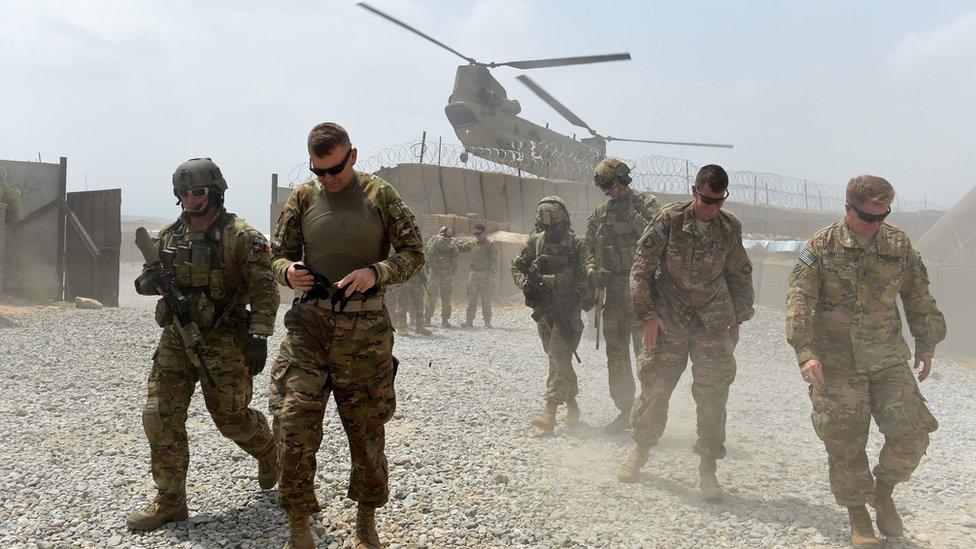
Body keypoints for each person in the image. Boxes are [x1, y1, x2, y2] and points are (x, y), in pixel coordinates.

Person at [269, 123, 424, 549]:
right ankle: (299, 521)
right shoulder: (303, 197)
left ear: (352, 156)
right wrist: (287, 271)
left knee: (367, 429)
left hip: (364, 334)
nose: (328, 180)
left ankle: (366, 518)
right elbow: (277, 252)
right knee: (292, 422)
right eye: (319, 171)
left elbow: (414, 252)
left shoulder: (381, 196)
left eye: (335, 169)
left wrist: (377, 271)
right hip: (310, 328)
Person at [785, 175, 945, 547]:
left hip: (887, 357)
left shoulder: (898, 243)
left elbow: (918, 295)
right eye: (868, 217)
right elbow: (798, 300)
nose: (876, 224)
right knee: (845, 443)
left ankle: (883, 490)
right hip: (836, 363)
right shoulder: (821, 246)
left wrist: (927, 343)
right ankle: (858, 513)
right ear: (848, 209)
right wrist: (805, 353)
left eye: (883, 215)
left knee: (912, 434)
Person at [128, 158, 279, 530]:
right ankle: (170, 500)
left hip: (225, 338)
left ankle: (271, 451)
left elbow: (264, 288)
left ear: (215, 192)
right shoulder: (168, 237)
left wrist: (258, 337)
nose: (190, 199)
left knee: (231, 419)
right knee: (159, 414)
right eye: (183, 193)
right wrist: (151, 283)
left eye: (197, 192)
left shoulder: (241, 237)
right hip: (177, 338)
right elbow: (144, 280)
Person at [617, 164, 754, 504]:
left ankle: (708, 469)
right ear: (695, 191)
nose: (712, 208)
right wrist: (647, 314)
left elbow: (740, 275)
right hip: (670, 319)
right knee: (655, 388)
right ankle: (641, 451)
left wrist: (737, 317)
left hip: (712, 323)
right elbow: (641, 269)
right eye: (707, 200)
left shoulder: (729, 227)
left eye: (719, 201)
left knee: (712, 396)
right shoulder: (669, 221)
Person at [584, 157, 660, 432]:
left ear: (623, 180)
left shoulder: (647, 204)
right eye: (603, 188)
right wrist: (593, 269)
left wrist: (629, 213)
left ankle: (649, 412)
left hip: (642, 292)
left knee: (647, 354)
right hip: (614, 294)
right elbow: (587, 245)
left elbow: (656, 237)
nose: (608, 192)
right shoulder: (601, 214)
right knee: (616, 355)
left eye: (610, 185)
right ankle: (625, 410)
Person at [512, 197, 595, 432]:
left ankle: (549, 411)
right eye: (545, 228)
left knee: (558, 356)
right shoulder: (536, 242)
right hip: (544, 310)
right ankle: (572, 404)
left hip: (567, 311)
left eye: (554, 227)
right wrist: (525, 284)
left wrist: (577, 295)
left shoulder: (578, 244)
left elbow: (590, 271)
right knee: (557, 358)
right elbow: (516, 267)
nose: (550, 232)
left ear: (564, 222)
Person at [425, 226, 465, 327]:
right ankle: (445, 320)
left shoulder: (432, 240)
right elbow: (456, 251)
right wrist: (455, 245)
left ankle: (427, 320)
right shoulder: (448, 242)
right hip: (445, 272)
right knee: (446, 297)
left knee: (431, 297)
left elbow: (427, 253)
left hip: (434, 272)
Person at [461, 223, 497, 328]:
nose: (477, 235)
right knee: (472, 298)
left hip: (485, 274)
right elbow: (461, 248)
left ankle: (487, 321)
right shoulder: (473, 243)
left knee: (486, 298)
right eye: (475, 233)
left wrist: (492, 275)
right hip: (474, 274)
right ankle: (469, 321)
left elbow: (494, 261)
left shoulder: (490, 244)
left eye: (479, 233)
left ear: (484, 233)